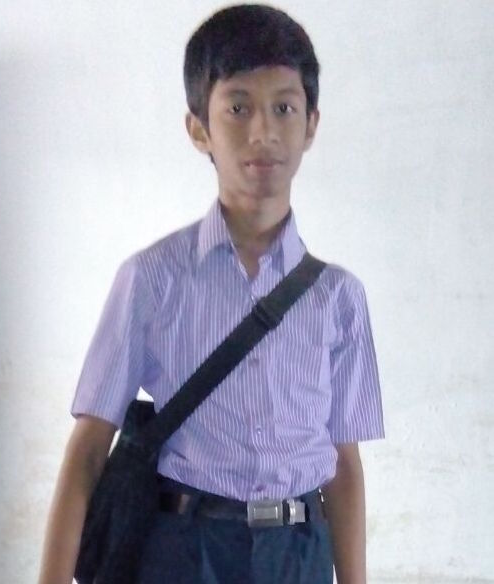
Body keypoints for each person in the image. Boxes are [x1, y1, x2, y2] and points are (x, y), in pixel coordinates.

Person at [37, 4, 384, 584]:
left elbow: (344, 466)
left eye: (284, 108)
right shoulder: (152, 279)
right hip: (183, 550)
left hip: (297, 552)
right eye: (238, 108)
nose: (263, 132)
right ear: (199, 128)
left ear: (311, 125)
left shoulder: (338, 298)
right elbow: (89, 448)